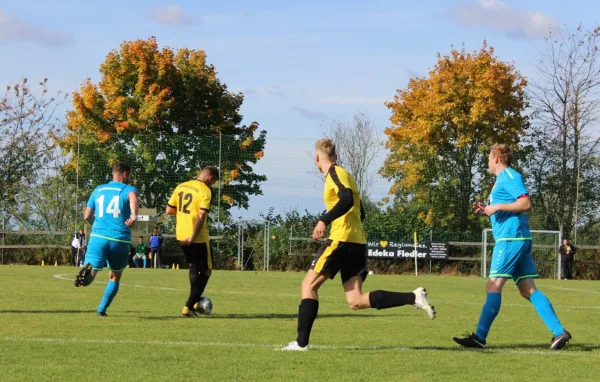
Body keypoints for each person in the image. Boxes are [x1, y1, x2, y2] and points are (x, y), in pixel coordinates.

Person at [281, 139, 435, 351]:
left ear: (317, 158)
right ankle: (413, 297)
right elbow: (360, 211)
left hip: (342, 239)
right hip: (357, 241)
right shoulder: (347, 175)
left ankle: (301, 344)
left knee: (308, 285)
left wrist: (324, 220)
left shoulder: (335, 174)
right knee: (356, 300)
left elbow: (346, 200)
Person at [453, 144, 571, 350]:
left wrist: (497, 206)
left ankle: (479, 337)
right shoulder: (503, 179)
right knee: (528, 290)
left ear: (497, 159)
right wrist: (487, 209)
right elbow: (510, 207)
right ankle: (559, 332)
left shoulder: (509, 176)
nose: (487, 162)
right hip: (518, 239)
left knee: (493, 286)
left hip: (510, 240)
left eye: (489, 158)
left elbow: (525, 204)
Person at [74, 162, 139, 317]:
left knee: (93, 272)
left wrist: (96, 224)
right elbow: (133, 199)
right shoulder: (128, 189)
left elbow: (86, 216)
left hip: (98, 238)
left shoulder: (98, 189)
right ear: (125, 174)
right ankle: (101, 310)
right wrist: (134, 217)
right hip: (119, 239)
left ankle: (85, 276)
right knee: (115, 276)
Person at [166, 166, 219, 317]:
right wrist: (194, 236)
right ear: (210, 178)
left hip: (181, 234)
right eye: (213, 182)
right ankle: (189, 306)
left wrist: (184, 214)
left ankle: (194, 303)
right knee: (207, 270)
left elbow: (169, 210)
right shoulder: (205, 190)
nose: (212, 184)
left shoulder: (181, 186)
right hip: (198, 237)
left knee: (194, 266)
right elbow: (201, 216)